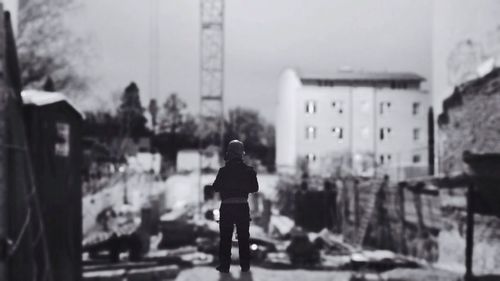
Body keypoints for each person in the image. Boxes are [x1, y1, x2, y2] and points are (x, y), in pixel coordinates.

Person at [211, 140, 259, 273]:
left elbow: (215, 187)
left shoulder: (223, 171)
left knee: (225, 237)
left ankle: (225, 266)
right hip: (242, 206)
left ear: (229, 154)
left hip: (227, 207)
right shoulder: (249, 171)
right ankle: (245, 266)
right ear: (241, 154)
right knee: (244, 237)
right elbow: (255, 188)